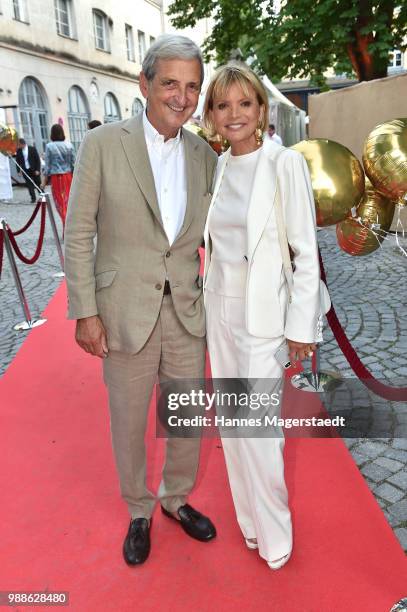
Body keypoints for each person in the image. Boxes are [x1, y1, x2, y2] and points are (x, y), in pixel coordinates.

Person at [64, 34, 218, 567]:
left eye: (192, 86)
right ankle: (138, 508)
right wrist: (85, 311)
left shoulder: (204, 154)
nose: (182, 96)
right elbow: (78, 232)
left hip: (185, 309)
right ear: (144, 83)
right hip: (124, 307)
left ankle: (176, 498)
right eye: (171, 83)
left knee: (184, 415)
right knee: (128, 418)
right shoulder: (103, 144)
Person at [202, 63, 321, 570]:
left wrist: (301, 329)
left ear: (261, 109)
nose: (235, 115)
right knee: (231, 427)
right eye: (224, 105)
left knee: (259, 430)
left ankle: (276, 537)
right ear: (210, 115)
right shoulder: (222, 164)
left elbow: (306, 251)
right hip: (219, 311)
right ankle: (250, 524)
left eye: (244, 104)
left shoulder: (283, 164)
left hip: (263, 319)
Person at [42, 124, 75, 233]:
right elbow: (73, 163)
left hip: (56, 178)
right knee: (68, 201)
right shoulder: (69, 145)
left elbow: (47, 165)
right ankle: (69, 225)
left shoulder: (49, 146)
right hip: (68, 176)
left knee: (60, 203)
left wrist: (44, 180)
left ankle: (66, 225)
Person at [16, 138, 41, 202]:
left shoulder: (32, 149)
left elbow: (38, 160)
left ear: (22, 144)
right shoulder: (18, 151)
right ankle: (33, 198)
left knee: (38, 183)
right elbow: (17, 162)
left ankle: (42, 196)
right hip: (25, 170)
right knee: (29, 185)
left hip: (34, 169)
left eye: (19, 144)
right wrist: (18, 171)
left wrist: (38, 170)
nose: (18, 146)